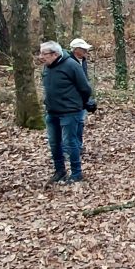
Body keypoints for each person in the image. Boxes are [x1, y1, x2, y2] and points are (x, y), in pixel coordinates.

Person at [40, 40, 94, 183]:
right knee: (54, 143)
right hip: (52, 112)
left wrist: (79, 104)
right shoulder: (46, 67)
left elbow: (85, 88)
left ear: (55, 54)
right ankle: (60, 171)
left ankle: (76, 173)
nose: (41, 57)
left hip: (70, 112)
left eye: (44, 54)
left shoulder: (71, 65)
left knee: (70, 143)